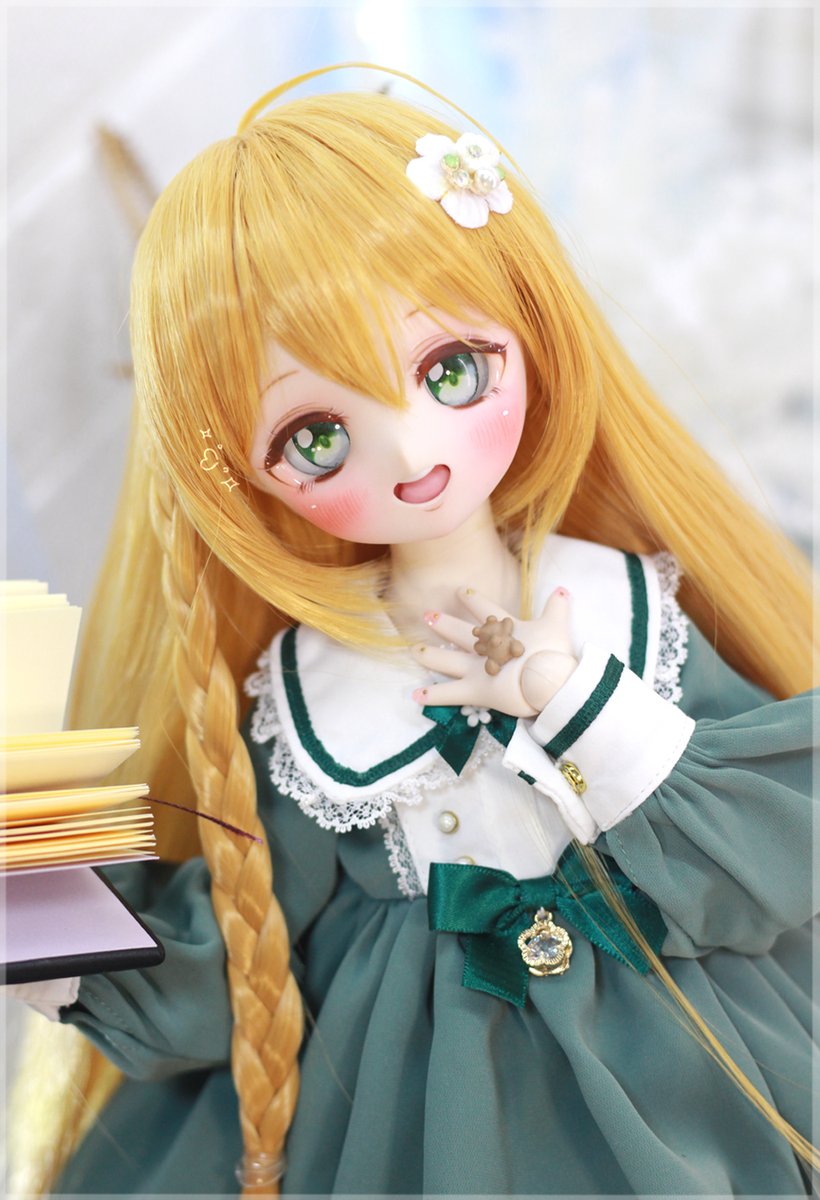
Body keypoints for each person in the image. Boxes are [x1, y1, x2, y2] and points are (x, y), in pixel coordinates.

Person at [10, 64, 816, 1196]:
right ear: (242, 479)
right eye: (317, 438)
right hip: (420, 1104)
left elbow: (780, 835)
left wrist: (583, 703)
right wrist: (36, 909)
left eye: (450, 369)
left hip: (700, 1040)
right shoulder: (310, 697)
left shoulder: (621, 605)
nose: (411, 450)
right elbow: (244, 956)